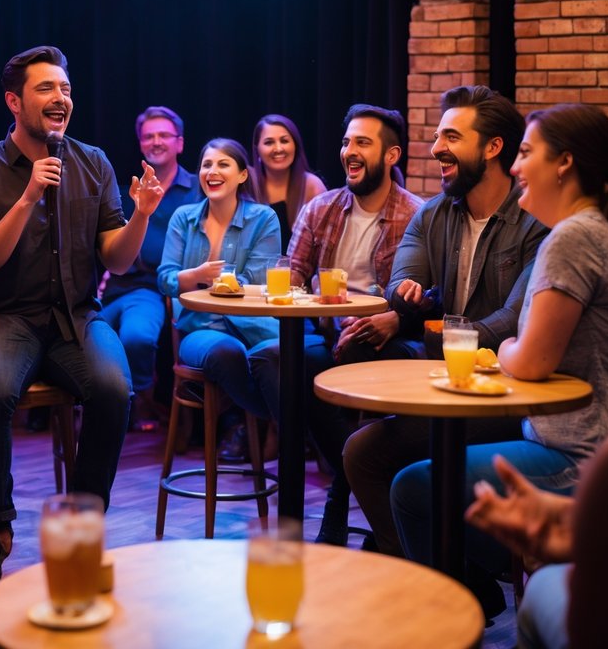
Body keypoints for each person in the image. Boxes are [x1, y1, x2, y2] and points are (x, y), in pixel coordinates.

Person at [390, 103, 608, 610]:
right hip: (589, 447)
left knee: (414, 490)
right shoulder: (594, 233)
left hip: (581, 459)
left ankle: (454, 618)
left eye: (527, 153)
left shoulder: (574, 237)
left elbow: (529, 362)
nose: (518, 168)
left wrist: (505, 347)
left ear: (564, 163)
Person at [0, 45, 163, 596]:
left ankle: (84, 528)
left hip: (76, 316)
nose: (60, 98)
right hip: (3, 316)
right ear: (14, 102)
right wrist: (25, 198)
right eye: (46, 88)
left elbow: (116, 259)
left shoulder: (93, 162)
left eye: (65, 89)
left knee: (116, 388)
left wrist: (140, 215)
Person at [343, 85, 549, 578]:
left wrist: (437, 332)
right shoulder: (433, 213)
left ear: (493, 147)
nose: (436, 148)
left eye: (451, 136)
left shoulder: (536, 222)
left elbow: (511, 323)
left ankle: (453, 576)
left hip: (509, 393)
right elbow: (400, 280)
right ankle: (442, 581)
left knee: (370, 454)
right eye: (437, 136)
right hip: (451, 385)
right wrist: (406, 293)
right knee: (363, 445)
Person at [248, 104, 423, 544]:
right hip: (329, 336)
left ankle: (338, 503)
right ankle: (344, 472)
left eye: (362, 142)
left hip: (384, 341)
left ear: (391, 155)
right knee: (269, 359)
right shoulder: (321, 208)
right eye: (346, 142)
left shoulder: (417, 214)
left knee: (342, 364)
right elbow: (289, 274)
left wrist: (389, 318)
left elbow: (421, 295)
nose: (349, 150)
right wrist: (292, 288)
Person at [467, 420, 608, 649]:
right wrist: (581, 525)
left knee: (543, 583)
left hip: (578, 449)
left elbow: (594, 635)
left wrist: (594, 549)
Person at [158, 138, 280, 421]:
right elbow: (165, 280)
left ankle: (283, 429)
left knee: (276, 355)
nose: (212, 171)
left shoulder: (264, 218)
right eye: (206, 165)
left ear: (242, 175)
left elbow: (256, 280)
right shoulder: (183, 218)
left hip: (255, 328)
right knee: (227, 353)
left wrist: (193, 282)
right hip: (198, 329)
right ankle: (285, 423)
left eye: (223, 164)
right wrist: (197, 276)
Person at [100, 106, 198, 432]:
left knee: (136, 337)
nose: (156, 142)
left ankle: (140, 398)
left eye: (163, 135)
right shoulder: (128, 189)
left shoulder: (197, 188)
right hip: (116, 284)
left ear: (179, 143)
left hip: (158, 286)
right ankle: (110, 404)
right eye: (148, 136)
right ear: (141, 144)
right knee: (86, 337)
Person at [250, 114, 326, 253]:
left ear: (295, 145)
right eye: (269, 142)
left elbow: (325, 244)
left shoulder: (312, 185)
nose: (278, 148)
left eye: (284, 141)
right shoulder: (247, 183)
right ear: (257, 149)